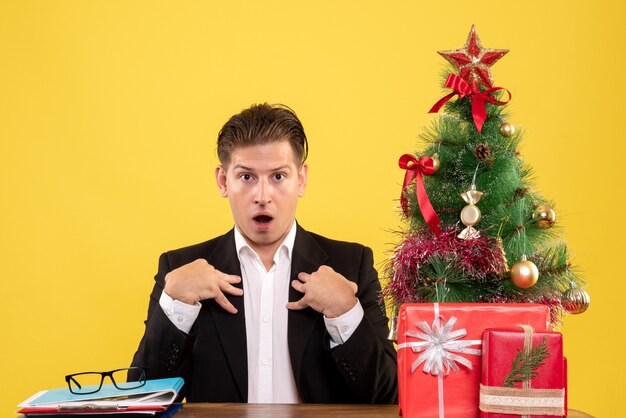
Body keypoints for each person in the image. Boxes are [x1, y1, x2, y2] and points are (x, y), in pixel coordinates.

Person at [129, 103, 397, 404]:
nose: (262, 196)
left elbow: (386, 397)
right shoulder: (178, 269)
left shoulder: (351, 265)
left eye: (278, 177)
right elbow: (144, 399)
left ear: (301, 179)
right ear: (223, 181)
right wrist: (176, 304)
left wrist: (346, 313)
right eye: (246, 177)